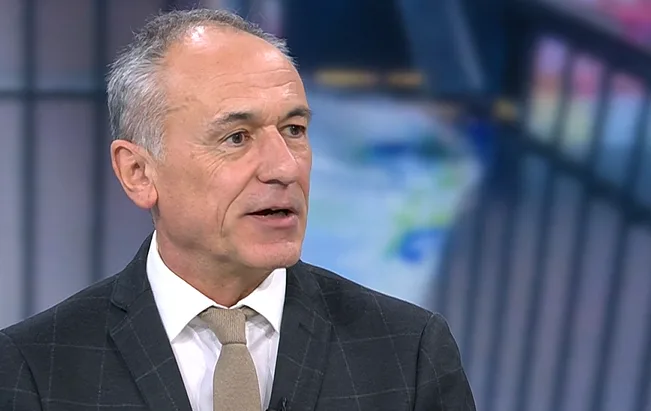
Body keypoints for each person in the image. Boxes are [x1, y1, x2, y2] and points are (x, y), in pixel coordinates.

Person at [0, 8, 474, 411]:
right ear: (138, 172)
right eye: (236, 137)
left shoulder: (408, 352)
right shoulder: (36, 368)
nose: (284, 168)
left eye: (293, 130)